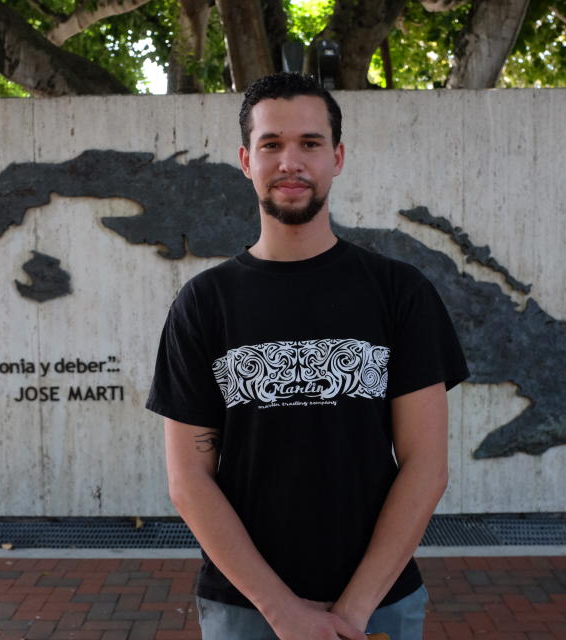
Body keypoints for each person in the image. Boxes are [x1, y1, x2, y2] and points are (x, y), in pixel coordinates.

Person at [146, 72, 469, 640]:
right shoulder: (204, 303)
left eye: (310, 144)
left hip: (379, 605)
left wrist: (351, 611)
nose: (289, 161)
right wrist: (282, 611)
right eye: (271, 144)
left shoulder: (399, 291)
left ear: (337, 157)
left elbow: (426, 466)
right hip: (246, 608)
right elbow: (189, 479)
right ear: (246, 160)